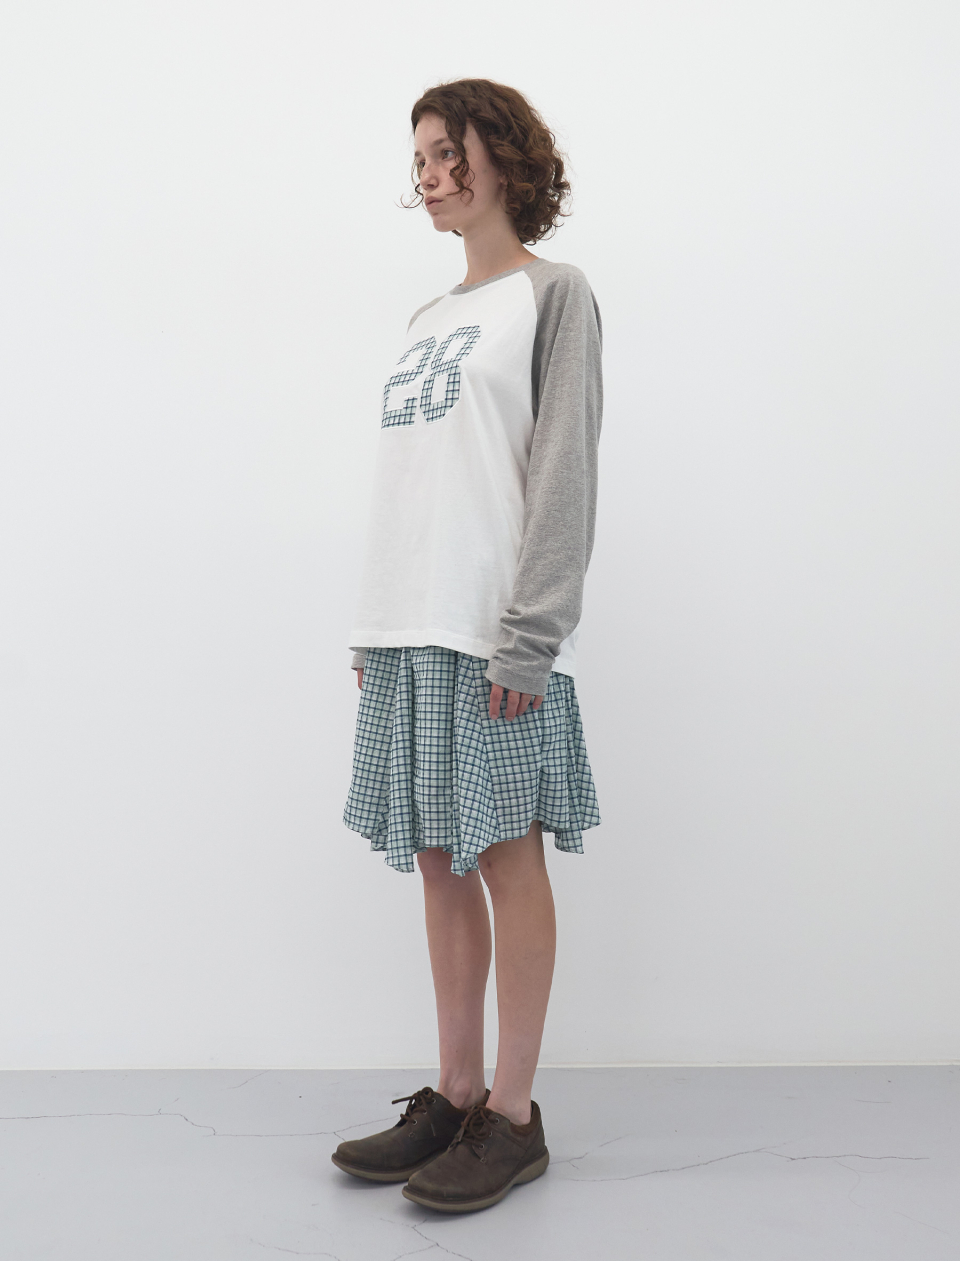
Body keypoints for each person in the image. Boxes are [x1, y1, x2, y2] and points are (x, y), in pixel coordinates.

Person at [331, 78, 603, 1214]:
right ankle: (453, 1093)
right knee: (439, 859)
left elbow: (563, 471)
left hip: (494, 632)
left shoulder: (553, 295)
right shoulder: (426, 318)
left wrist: (529, 636)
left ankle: (514, 1113)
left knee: (505, 855)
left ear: (503, 158)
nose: (431, 176)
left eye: (449, 153)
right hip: (411, 627)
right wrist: (376, 622)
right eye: (421, 159)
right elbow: (411, 482)